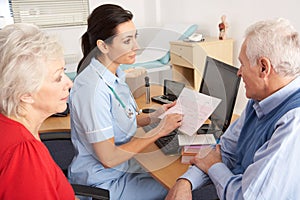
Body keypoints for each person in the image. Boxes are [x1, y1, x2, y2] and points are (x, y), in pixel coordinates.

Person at [166, 18, 300, 200]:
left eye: (242, 64)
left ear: (263, 67)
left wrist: (214, 166)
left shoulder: (293, 122)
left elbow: (246, 197)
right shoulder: (260, 98)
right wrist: (185, 181)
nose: (238, 72)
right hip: (233, 185)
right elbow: (225, 149)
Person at [68, 4, 183, 200]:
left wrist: (154, 117)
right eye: (127, 41)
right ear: (103, 46)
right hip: (103, 182)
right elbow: (109, 158)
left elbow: (120, 119)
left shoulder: (115, 73)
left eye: (135, 37)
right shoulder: (92, 90)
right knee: (176, 184)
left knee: (174, 167)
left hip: (122, 168)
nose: (136, 47)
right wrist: (160, 130)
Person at [0, 23, 74, 199]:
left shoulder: (13, 126)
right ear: (25, 94)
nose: (69, 83)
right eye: (58, 78)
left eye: (65, 72)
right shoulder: (23, 154)